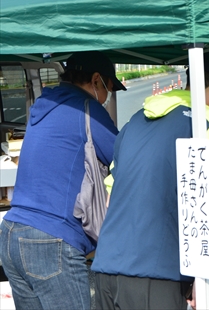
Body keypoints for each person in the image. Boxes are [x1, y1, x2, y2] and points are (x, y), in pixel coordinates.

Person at [90, 51, 209, 310]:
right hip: (156, 272)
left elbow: (110, 193)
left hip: (106, 266)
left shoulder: (137, 118)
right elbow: (204, 194)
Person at [0, 50, 124, 309]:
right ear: (96, 79)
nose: (107, 95)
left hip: (11, 232)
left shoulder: (44, 104)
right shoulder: (88, 107)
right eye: (109, 87)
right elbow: (127, 159)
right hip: (50, 239)